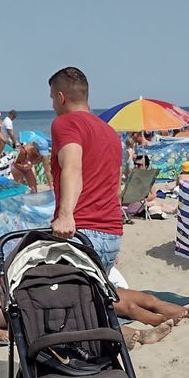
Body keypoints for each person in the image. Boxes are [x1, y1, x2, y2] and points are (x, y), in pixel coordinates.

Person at [47, 66, 123, 273]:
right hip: (112, 232)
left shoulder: (65, 123)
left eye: (52, 98)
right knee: (92, 302)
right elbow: (114, 187)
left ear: (61, 97)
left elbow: (72, 167)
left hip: (81, 231)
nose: (53, 105)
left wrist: (65, 214)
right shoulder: (109, 132)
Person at [0, 287, 189, 347]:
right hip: (46, 304)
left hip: (59, 293)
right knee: (125, 308)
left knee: (140, 299)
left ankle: (181, 312)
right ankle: (156, 324)